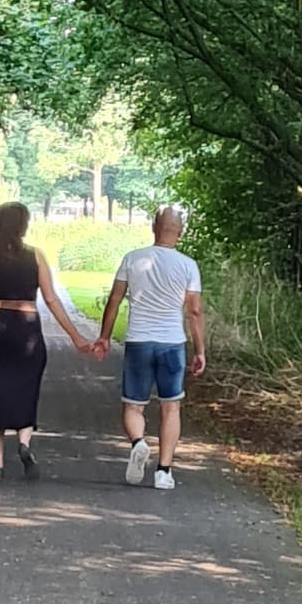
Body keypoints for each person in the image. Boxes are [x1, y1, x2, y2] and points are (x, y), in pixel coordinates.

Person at [0, 202, 90, 482]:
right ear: (23, 225)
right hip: (27, 330)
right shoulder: (36, 256)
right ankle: (24, 443)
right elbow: (51, 299)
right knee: (25, 390)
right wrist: (76, 335)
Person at [92, 206, 206, 491]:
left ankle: (139, 443)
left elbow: (115, 300)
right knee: (171, 408)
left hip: (139, 341)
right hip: (172, 344)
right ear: (179, 233)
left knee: (133, 405)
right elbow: (194, 311)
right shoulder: (188, 265)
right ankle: (164, 472)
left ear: (154, 228)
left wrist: (104, 336)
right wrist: (200, 350)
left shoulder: (132, 259)